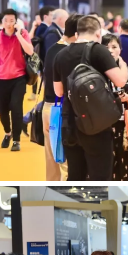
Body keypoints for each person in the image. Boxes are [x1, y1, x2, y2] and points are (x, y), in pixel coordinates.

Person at [53, 15, 128, 180]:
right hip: (96, 123)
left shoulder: (61, 54)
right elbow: (121, 81)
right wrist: (123, 65)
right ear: (98, 33)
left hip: (70, 122)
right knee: (99, 176)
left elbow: (58, 91)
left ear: (77, 33)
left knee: (75, 175)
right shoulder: (98, 50)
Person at [41, 13, 80, 180]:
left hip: (48, 108)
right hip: (63, 111)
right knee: (67, 162)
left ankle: (51, 191)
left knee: (51, 160)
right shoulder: (69, 53)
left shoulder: (52, 49)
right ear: (77, 34)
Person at [101, 34, 128, 181]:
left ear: (120, 49)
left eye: (114, 47)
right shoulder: (98, 71)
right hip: (104, 127)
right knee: (106, 168)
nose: (110, 50)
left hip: (126, 128)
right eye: (106, 47)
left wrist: (126, 98)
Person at [0, 9, 34, 152]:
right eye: (6, 20)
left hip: (19, 77)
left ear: (16, 21)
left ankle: (16, 140)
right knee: (2, 111)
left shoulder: (22, 33)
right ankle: (8, 133)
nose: (9, 23)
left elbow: (30, 51)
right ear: (2, 22)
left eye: (12, 21)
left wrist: (19, 34)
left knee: (16, 107)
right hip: (0, 78)